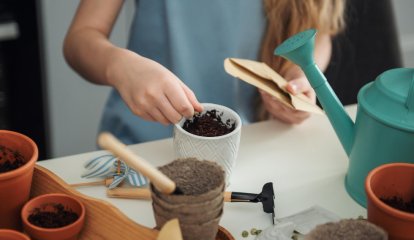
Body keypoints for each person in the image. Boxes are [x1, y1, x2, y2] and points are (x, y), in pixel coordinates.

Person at [64, 0, 345, 144]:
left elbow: (319, 29)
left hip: (244, 147)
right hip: (140, 148)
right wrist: (119, 65)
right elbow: (80, 38)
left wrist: (299, 77)